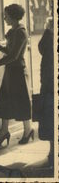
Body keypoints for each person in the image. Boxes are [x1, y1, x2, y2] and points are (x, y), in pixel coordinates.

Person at [0, 4, 33, 147]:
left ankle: (28, 130)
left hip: (18, 71)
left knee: (22, 102)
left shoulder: (21, 32)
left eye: (6, 15)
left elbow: (14, 55)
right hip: (10, 70)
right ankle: (4, 133)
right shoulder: (13, 31)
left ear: (13, 16)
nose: (4, 17)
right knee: (4, 101)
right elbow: (9, 51)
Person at [38, 16, 54, 166]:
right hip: (49, 81)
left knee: (50, 117)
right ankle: (52, 151)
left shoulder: (49, 33)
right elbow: (42, 48)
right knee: (50, 117)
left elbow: (41, 48)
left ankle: (53, 152)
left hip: (50, 82)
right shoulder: (49, 32)